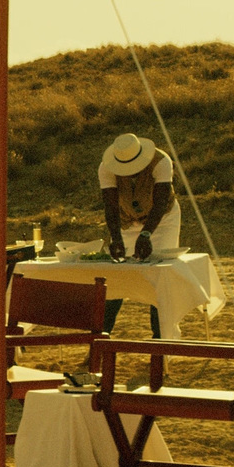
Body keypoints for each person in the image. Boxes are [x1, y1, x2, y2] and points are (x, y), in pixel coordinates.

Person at [98, 133, 181, 337]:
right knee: (117, 272)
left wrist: (146, 234)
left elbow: (160, 203)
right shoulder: (106, 168)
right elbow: (110, 206)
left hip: (162, 220)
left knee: (159, 272)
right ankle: (101, 335)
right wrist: (116, 237)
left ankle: (160, 337)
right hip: (127, 220)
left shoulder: (161, 162)